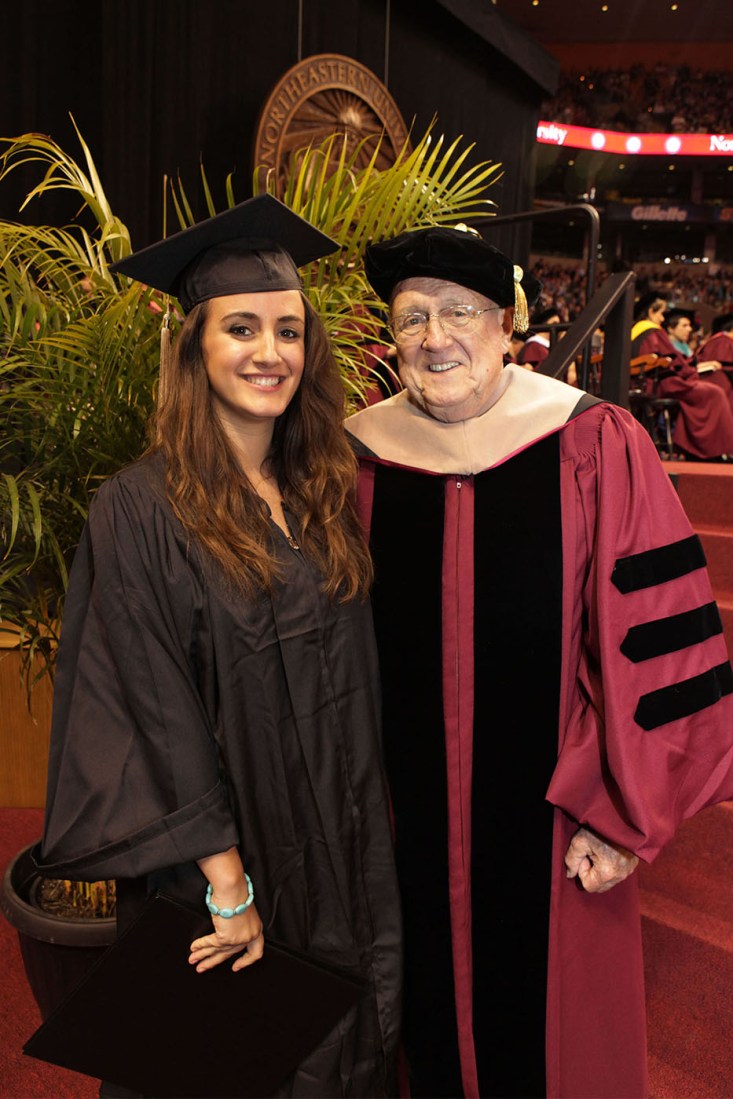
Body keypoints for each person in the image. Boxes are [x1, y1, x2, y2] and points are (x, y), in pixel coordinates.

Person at [345, 225, 733, 1099]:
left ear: (506, 322)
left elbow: (655, 640)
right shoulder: (353, 459)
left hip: (554, 827)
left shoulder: (592, 443)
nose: (434, 337)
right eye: (411, 318)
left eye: (458, 313)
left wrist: (622, 812)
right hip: (393, 824)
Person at [34, 195, 401, 1097]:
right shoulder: (140, 509)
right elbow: (152, 704)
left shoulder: (321, 488)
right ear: (194, 345)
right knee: (235, 1058)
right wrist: (226, 883)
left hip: (344, 837)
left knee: (351, 1035)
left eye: (288, 329)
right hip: (238, 855)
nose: (270, 353)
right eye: (241, 327)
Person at [631, 293, 733, 460]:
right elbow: (675, 362)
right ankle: (706, 450)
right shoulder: (652, 331)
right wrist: (691, 369)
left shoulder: (636, 331)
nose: (662, 318)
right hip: (662, 384)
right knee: (715, 392)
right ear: (651, 312)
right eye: (661, 313)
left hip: (645, 382)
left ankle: (697, 447)